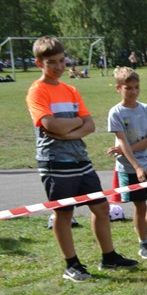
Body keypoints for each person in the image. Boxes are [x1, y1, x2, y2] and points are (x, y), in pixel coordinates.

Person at [26, 36, 138, 281]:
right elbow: (48, 123)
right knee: (64, 214)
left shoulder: (71, 89)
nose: (58, 66)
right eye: (51, 62)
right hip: (55, 163)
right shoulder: (37, 91)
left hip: (80, 159)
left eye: (61, 60)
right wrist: (70, 126)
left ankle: (109, 257)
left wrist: (68, 129)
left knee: (101, 207)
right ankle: (72, 264)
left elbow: (89, 125)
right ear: (39, 64)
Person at [106, 66, 147, 260]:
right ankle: (143, 242)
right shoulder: (115, 113)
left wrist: (125, 150)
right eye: (128, 88)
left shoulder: (146, 109)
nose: (133, 91)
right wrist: (135, 164)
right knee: (140, 206)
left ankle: (146, 229)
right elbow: (122, 140)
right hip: (129, 168)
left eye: (136, 87)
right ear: (118, 88)